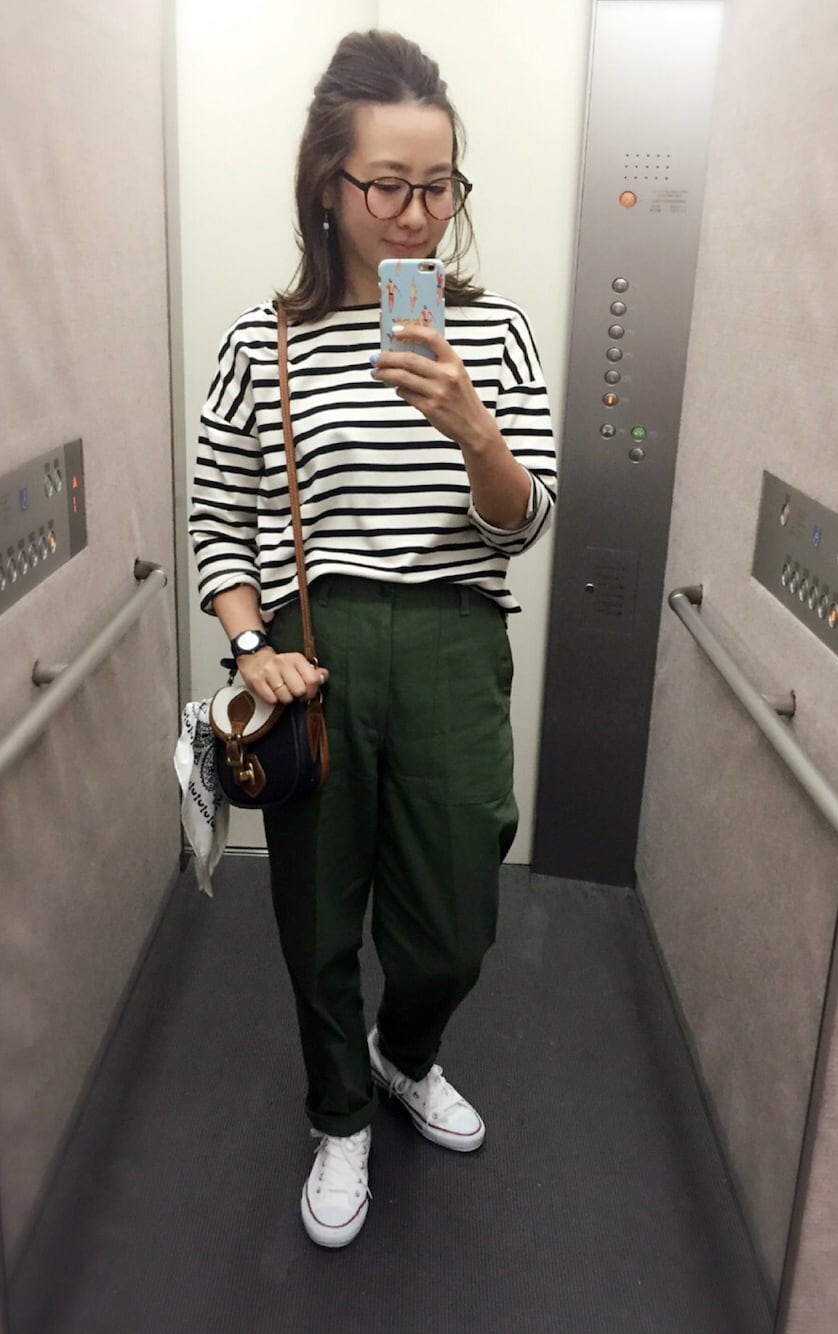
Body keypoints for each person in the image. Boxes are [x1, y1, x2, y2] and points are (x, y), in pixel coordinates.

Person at [189, 29, 557, 1249]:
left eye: (438, 187)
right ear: (327, 187)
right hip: (317, 646)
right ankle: (339, 1110)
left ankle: (406, 1049)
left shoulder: (494, 333)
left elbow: (525, 520)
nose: (417, 217)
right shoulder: (262, 342)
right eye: (388, 187)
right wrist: (250, 643)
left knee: (456, 910)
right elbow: (220, 516)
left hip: (455, 638)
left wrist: (473, 428)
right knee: (316, 910)